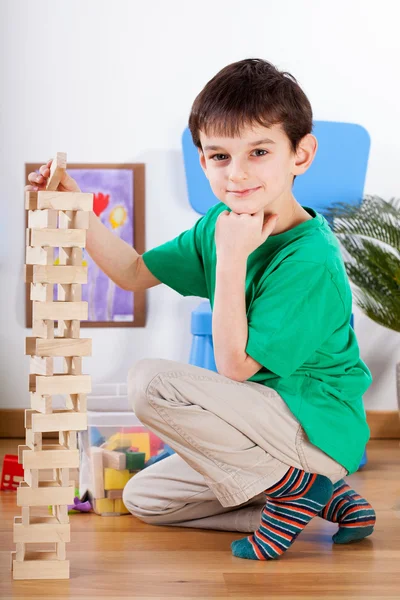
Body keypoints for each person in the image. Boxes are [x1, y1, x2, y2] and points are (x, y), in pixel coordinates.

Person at [26, 58, 376, 561]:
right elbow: (132, 271)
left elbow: (235, 369)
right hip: (258, 435)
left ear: (301, 154)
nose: (236, 174)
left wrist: (233, 260)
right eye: (218, 156)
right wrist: (78, 207)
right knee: (143, 498)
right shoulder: (219, 223)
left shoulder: (310, 258)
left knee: (150, 381)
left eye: (258, 152)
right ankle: (315, 497)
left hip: (311, 427)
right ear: (202, 158)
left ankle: (301, 482)